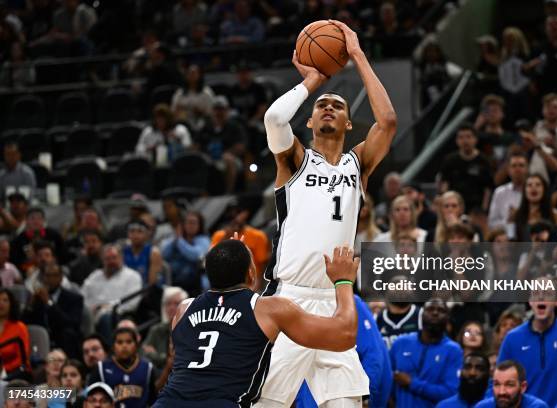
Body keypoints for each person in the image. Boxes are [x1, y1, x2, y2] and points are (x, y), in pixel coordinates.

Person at [256, 19, 397, 407]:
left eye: (337, 105)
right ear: (311, 121)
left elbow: (387, 122)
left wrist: (356, 54)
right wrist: (313, 83)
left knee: (348, 403)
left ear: (349, 123)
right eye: (322, 106)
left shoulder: (358, 164)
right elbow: (273, 120)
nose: (329, 108)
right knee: (267, 403)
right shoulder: (294, 160)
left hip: (335, 301)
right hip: (289, 299)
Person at [154, 239, 360, 407]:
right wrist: (343, 282)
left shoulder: (183, 309)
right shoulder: (268, 309)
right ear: (251, 273)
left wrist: (231, 258)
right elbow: (345, 336)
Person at [296, 294, 394, 408]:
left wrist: (366, 397)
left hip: (344, 392)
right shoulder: (293, 301)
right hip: (311, 392)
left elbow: (373, 356)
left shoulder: (349, 301)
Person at [497, 295, 557, 407]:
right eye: (536, 293)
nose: (541, 297)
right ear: (530, 301)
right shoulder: (512, 338)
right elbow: (498, 382)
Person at [391, 299, 463, 408]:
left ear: (448, 318)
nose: (435, 313)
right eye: (430, 309)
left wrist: (412, 383)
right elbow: (386, 381)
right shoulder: (400, 343)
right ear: (421, 315)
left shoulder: (454, 350)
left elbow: (451, 392)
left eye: (441, 310)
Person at [22, 262, 83, 358]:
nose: (50, 279)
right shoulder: (38, 298)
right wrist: (30, 305)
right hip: (41, 340)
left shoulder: (74, 298)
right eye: (47, 275)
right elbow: (24, 322)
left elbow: (71, 324)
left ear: (60, 278)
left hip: (63, 339)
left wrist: (49, 303)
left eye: (53, 275)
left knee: (68, 333)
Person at [88, 327, 157, 408]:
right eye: (119, 342)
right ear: (113, 346)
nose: (124, 346)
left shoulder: (147, 368)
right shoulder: (101, 368)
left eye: (129, 342)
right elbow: (90, 399)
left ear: (136, 345)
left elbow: (153, 399)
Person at [438, 123, 494, 214]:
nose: (465, 141)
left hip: (476, 207)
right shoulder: (450, 160)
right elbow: (444, 184)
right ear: (456, 140)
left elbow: (488, 189)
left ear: (475, 139)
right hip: (454, 206)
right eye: (461, 137)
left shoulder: (484, 161)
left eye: (468, 137)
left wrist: (484, 210)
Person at [160, 211, 210, 293]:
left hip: (194, 282)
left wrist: (180, 240)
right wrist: (175, 240)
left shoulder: (203, 240)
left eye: (193, 223)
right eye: (188, 222)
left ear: (199, 225)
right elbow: (164, 255)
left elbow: (195, 255)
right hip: (173, 278)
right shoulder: (176, 239)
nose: (190, 225)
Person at [142, 287, 188, 369]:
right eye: (168, 304)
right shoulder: (156, 330)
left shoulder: (192, 330)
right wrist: (165, 359)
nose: (171, 307)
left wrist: (157, 356)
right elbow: (143, 353)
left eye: (176, 304)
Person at [474, 360, 548, 408]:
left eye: (509, 385)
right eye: (497, 384)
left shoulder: (537, 406)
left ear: (523, 387)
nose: (501, 392)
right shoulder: (482, 406)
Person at [488, 151, 528, 230]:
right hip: (506, 236)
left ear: (527, 169)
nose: (517, 169)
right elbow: (491, 223)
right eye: (514, 166)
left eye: (521, 165)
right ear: (508, 170)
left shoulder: (534, 190)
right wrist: (509, 221)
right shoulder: (500, 192)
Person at [122, 219, 163, 285]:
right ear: (127, 234)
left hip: (151, 291)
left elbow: (152, 284)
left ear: (146, 234)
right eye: (132, 231)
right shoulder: (122, 252)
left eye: (140, 231)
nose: (135, 235)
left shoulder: (154, 253)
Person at [0, 288, 30, 376]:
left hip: (14, 372)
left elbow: (22, 358)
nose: (1, 303)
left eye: (5, 300)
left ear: (11, 304)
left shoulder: (20, 327)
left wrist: (3, 370)